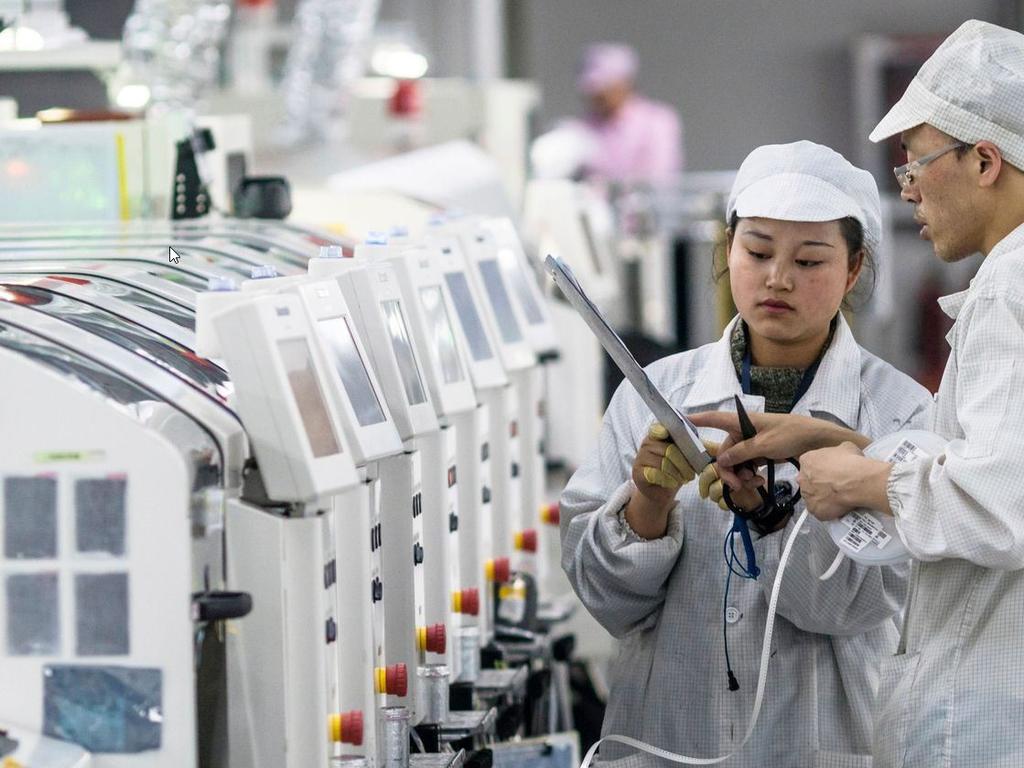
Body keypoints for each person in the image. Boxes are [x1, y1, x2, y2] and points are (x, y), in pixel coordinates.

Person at [691, 20, 1024, 767]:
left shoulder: (1012, 289)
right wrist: (832, 443)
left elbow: (1004, 503)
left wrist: (865, 482)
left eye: (914, 164)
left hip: (988, 719)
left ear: (983, 160)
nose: (909, 190)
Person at [559, 140, 932, 767]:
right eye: (757, 251)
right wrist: (648, 505)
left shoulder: (901, 415)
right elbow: (606, 604)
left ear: (853, 268)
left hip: (826, 744)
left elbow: (856, 606)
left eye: (810, 261)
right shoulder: (655, 396)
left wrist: (768, 514)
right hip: (669, 737)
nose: (777, 278)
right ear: (726, 250)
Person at [574, 42, 682, 187]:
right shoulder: (582, 128)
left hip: (645, 208)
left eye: (605, 88)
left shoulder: (657, 122)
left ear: (625, 83)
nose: (596, 95)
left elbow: (660, 178)